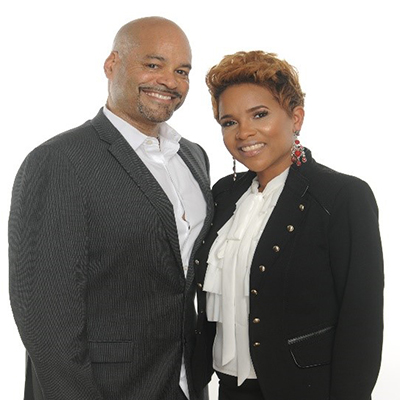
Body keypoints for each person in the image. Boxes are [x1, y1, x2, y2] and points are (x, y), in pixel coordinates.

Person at [9, 16, 213, 400]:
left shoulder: (193, 156)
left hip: (186, 383)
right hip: (107, 388)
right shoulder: (59, 161)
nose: (170, 81)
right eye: (153, 64)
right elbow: (44, 319)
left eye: (182, 71)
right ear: (112, 64)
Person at [192, 51, 384, 400]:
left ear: (296, 117)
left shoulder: (342, 196)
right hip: (229, 389)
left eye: (259, 114)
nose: (244, 132)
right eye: (229, 122)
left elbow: (362, 321)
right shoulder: (223, 194)